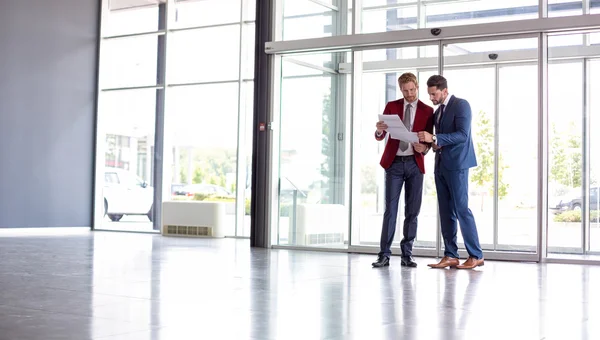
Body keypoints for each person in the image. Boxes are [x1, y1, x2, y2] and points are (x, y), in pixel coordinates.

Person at [417, 75, 484, 270]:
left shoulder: (461, 105)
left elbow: (462, 135)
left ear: (444, 91)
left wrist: (435, 137)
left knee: (462, 209)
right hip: (441, 166)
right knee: (446, 211)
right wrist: (429, 145)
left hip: (458, 165)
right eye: (429, 94)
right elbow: (439, 140)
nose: (431, 98)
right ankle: (451, 255)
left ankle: (476, 255)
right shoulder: (438, 113)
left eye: (434, 94)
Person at [372, 72, 434, 268]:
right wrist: (380, 130)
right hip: (395, 164)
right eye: (405, 91)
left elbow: (431, 139)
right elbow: (380, 135)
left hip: (415, 164)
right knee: (390, 210)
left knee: (412, 211)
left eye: (412, 90)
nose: (409, 94)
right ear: (401, 89)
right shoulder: (392, 106)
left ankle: (407, 254)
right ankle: (384, 255)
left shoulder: (427, 110)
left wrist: (424, 148)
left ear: (417, 87)